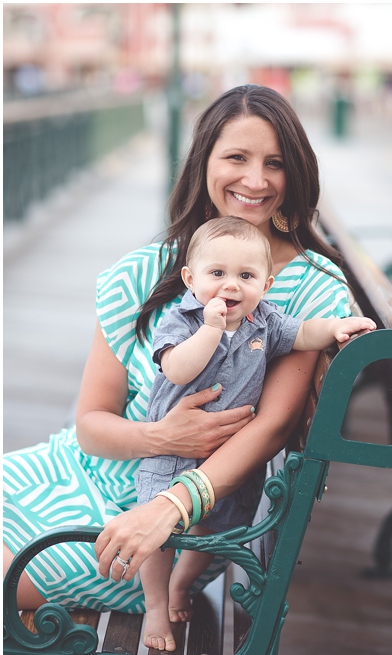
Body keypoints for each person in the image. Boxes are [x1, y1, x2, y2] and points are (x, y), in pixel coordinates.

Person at [3, 85, 353, 620]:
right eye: (236, 157)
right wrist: (157, 436)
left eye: (275, 164)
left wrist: (167, 508)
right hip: (74, 469)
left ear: (296, 173)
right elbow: (90, 426)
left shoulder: (312, 291)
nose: (255, 181)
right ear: (203, 162)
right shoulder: (143, 273)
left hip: (164, 531)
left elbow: (271, 430)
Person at [136, 216, 374, 651]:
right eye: (217, 274)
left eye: (245, 276)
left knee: (213, 532)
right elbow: (176, 367)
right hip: (174, 455)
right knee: (161, 536)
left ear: (264, 285)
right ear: (191, 280)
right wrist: (211, 329)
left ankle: (179, 585)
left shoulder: (265, 322)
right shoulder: (184, 320)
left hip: (229, 466)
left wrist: (335, 328)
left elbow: (303, 334)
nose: (230, 286)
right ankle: (155, 604)